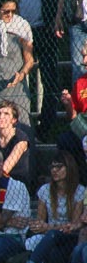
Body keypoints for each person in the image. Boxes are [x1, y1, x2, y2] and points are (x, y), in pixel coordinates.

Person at [0, 151, 84, 263]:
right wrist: (37, 225)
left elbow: (73, 225)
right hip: (49, 235)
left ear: (69, 168)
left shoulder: (79, 191)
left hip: (70, 236)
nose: (54, 170)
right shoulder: (45, 190)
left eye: (59, 167)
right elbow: (40, 219)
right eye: (52, 167)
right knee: (46, 245)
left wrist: (48, 228)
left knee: (52, 238)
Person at [14, 0, 63, 137]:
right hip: (17, 32)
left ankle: (45, 128)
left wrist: (58, 20)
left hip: (45, 29)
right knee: (16, 78)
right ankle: (18, 127)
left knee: (50, 80)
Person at [56, 38, 87, 185]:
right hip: (83, 124)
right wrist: (68, 104)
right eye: (83, 56)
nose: (84, 61)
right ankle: (76, 183)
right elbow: (72, 117)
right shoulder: (80, 83)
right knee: (65, 139)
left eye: (86, 56)